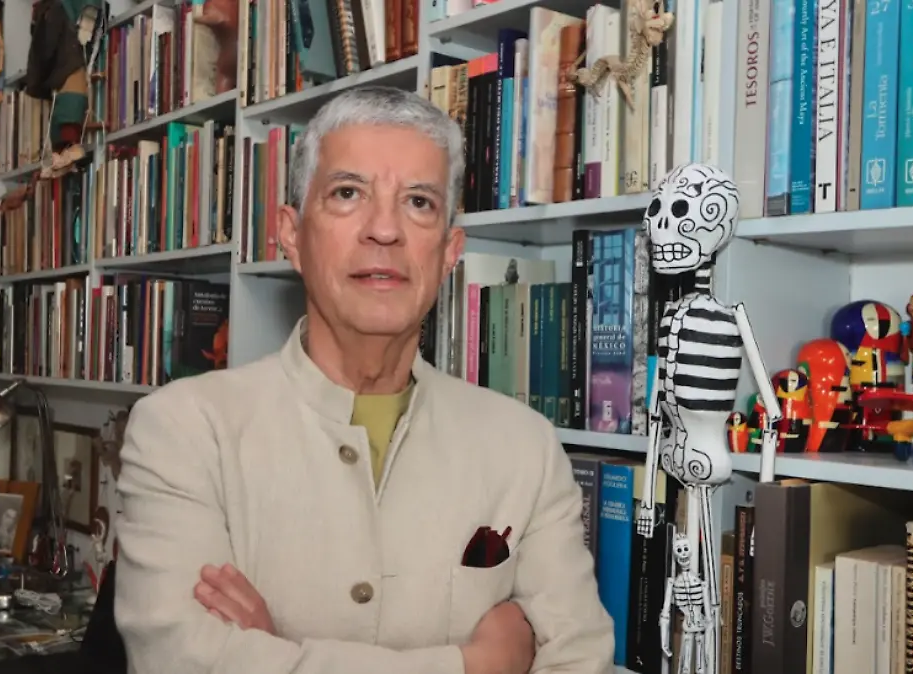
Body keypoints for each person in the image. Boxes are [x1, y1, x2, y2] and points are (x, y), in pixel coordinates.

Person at [114, 86, 614, 673]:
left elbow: (581, 660)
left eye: (419, 202)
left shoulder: (526, 447)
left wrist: (275, 655)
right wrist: (477, 666)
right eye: (348, 193)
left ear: (449, 251)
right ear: (292, 235)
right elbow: (180, 661)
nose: (384, 229)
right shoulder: (183, 430)